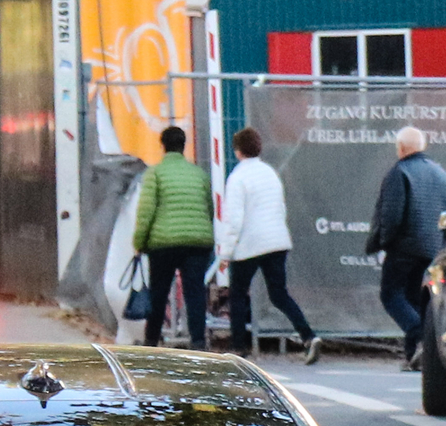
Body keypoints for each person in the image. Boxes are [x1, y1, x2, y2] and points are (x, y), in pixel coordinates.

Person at [217, 127, 320, 363]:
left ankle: (238, 346)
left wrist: (226, 252)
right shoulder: (270, 173)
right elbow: (280, 208)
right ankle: (308, 336)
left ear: (238, 151)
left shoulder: (237, 178)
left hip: (249, 244)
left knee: (238, 293)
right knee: (278, 294)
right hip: (276, 240)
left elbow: (234, 219)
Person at [366, 125, 446, 364]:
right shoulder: (441, 174)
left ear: (402, 148)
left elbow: (391, 214)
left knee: (391, 295)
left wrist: (385, 242)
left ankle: (421, 336)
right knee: (415, 299)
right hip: (433, 247)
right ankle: (414, 355)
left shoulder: (400, 171)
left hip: (404, 246)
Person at [133, 124, 215, 350]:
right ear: (183, 147)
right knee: (195, 293)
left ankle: (152, 341)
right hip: (197, 242)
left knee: (158, 294)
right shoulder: (199, 174)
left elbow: (146, 212)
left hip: (163, 243)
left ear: (163, 146)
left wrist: (139, 243)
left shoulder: (155, 174)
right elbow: (209, 208)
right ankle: (198, 341)